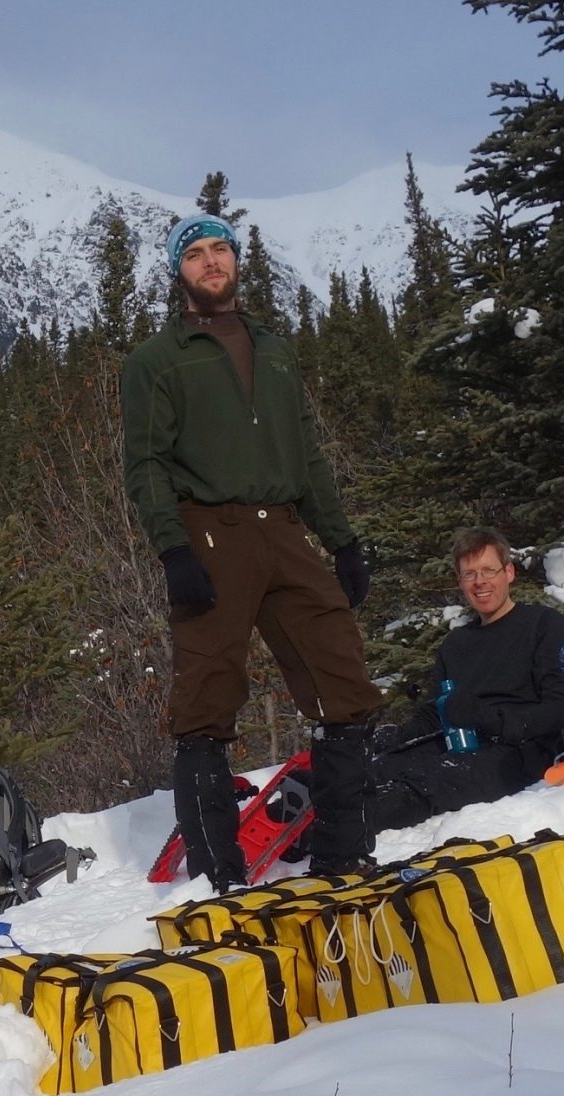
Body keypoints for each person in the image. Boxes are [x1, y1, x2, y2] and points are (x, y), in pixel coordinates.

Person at [121, 213, 384, 888]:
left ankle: (343, 856)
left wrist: (342, 540)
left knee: (343, 679)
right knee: (206, 701)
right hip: (210, 532)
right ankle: (221, 879)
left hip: (286, 530)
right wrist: (174, 551)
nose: (211, 261)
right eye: (196, 254)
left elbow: (308, 452)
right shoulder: (157, 359)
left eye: (221, 249)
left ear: (236, 261)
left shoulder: (275, 349)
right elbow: (146, 464)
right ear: (178, 271)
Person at [368, 527, 564, 830]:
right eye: (470, 574)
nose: (480, 582)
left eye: (489, 570)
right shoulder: (455, 644)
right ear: (460, 582)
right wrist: (395, 737)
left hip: (520, 753)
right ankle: (308, 820)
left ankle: (340, 834)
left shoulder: (543, 624)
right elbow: (435, 713)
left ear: (509, 572)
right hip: (458, 745)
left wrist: (486, 717)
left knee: (424, 784)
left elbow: (558, 709)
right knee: (373, 773)